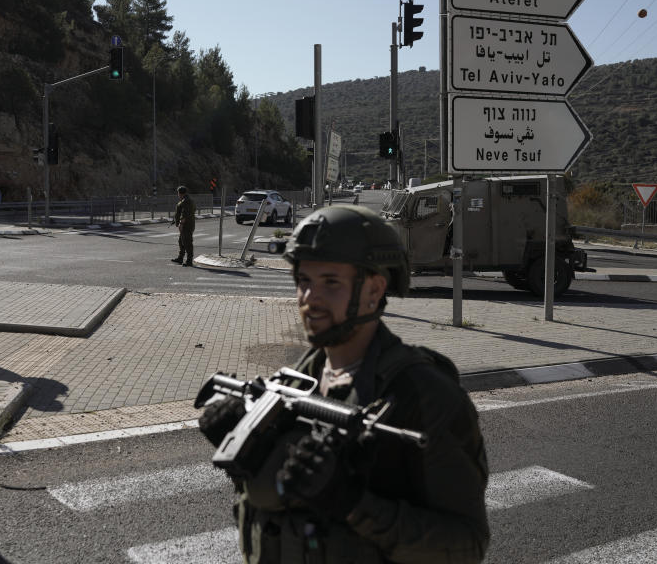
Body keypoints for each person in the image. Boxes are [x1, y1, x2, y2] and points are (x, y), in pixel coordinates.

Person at [198, 205, 489, 563]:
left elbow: (467, 544)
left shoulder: (422, 397)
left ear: (374, 288)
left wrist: (351, 503)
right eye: (304, 281)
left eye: (330, 283)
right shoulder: (297, 380)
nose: (310, 299)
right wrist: (250, 458)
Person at [171, 185, 196, 267]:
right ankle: (180, 258)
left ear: (180, 193)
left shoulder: (187, 201)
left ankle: (189, 260)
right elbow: (181, 212)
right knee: (181, 242)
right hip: (186, 224)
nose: (178, 194)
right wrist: (176, 220)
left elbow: (185, 214)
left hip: (187, 225)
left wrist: (181, 224)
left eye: (178, 193)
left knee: (187, 242)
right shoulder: (185, 200)